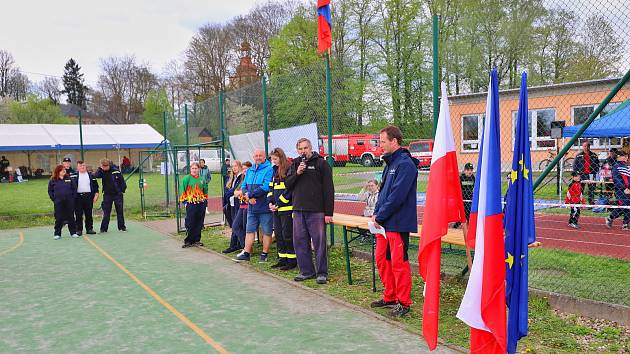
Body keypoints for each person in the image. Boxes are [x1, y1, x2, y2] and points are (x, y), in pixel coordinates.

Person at [370, 126, 418, 317]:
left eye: (382, 141)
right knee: (382, 259)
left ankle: (404, 302)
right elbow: (383, 194)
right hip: (384, 223)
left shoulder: (405, 164)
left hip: (397, 223)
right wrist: (376, 213)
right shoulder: (389, 164)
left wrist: (380, 216)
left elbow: (397, 196)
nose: (380, 145)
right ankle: (390, 295)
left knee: (399, 263)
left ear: (394, 141)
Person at [285, 138, 335, 284]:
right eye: (300, 149)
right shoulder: (294, 164)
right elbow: (288, 184)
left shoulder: (321, 163)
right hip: (299, 210)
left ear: (311, 148)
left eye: (305, 148)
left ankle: (322, 273)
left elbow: (328, 189)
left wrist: (328, 213)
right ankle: (306, 271)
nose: (303, 151)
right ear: (297, 150)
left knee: (319, 243)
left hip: (317, 211)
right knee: (300, 242)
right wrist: (298, 173)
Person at [234, 150, 274, 262]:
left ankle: (264, 254)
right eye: (256, 156)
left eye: (260, 155)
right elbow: (244, 185)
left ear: (264, 156)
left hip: (264, 207)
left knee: (267, 231)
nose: (258, 157)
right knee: (249, 230)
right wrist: (248, 196)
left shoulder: (269, 169)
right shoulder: (250, 170)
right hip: (252, 208)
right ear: (253, 157)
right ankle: (246, 253)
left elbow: (266, 186)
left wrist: (250, 195)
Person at [268, 147, 297, 270]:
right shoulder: (274, 170)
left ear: (281, 157)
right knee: (279, 235)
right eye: (272, 159)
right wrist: (270, 202)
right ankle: (282, 259)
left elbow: (289, 190)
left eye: (275, 159)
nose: (273, 161)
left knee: (287, 235)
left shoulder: (289, 168)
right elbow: (271, 188)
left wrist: (279, 203)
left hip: (286, 208)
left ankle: (291, 261)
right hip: (275, 209)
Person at [180, 162, 209, 248]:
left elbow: (205, 191)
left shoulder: (202, 179)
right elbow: (182, 190)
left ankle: (197, 240)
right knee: (190, 221)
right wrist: (185, 202)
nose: (194, 170)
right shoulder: (186, 179)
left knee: (199, 221)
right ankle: (189, 240)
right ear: (190, 169)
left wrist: (205, 202)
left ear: (199, 169)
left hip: (201, 203)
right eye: (193, 168)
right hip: (191, 203)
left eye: (196, 168)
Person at [94, 158, 127, 233]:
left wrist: (121, 191)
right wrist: (100, 168)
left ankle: (122, 227)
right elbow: (96, 175)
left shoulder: (116, 171)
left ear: (109, 165)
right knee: (106, 212)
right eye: (103, 166)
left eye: (106, 166)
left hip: (117, 194)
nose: (105, 168)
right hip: (107, 195)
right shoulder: (101, 171)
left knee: (120, 211)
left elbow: (122, 181)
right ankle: (103, 229)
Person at [48, 165, 79, 240]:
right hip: (58, 202)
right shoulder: (53, 180)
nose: (64, 171)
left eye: (64, 169)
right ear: (58, 171)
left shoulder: (69, 178)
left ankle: (73, 232)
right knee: (59, 217)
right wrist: (54, 199)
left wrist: (72, 198)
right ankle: (57, 233)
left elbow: (74, 189)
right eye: (62, 170)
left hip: (69, 201)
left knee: (71, 217)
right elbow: (50, 191)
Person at [222, 160, 245, 253]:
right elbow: (228, 191)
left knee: (237, 225)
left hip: (238, 204)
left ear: (240, 166)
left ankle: (241, 245)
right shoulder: (233, 178)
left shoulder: (242, 178)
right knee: (234, 225)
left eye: (236, 166)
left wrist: (229, 193)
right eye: (233, 166)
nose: (234, 168)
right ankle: (236, 245)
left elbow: (235, 190)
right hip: (231, 204)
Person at [73, 160, 99, 236]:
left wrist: (96, 195)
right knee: (78, 214)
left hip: (88, 196)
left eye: (83, 166)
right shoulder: (73, 176)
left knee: (89, 214)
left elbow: (96, 187)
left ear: (86, 166)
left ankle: (89, 229)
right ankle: (79, 230)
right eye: (80, 166)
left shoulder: (91, 175)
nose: (82, 167)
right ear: (77, 167)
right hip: (78, 197)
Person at [606, 150, 630, 230]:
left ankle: (625, 224)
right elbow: (617, 180)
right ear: (619, 157)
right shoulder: (616, 166)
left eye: (627, 156)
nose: (627, 158)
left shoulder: (626, 166)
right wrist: (624, 188)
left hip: (628, 190)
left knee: (628, 206)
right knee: (624, 205)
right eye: (625, 156)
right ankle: (611, 217)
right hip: (620, 190)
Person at [454, 163, 475, 228]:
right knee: (467, 212)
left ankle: (457, 225)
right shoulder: (461, 178)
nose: (470, 171)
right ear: (464, 170)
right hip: (462, 199)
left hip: (470, 198)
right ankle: (470, 227)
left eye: (471, 170)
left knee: (466, 213)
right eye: (468, 170)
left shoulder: (473, 178)